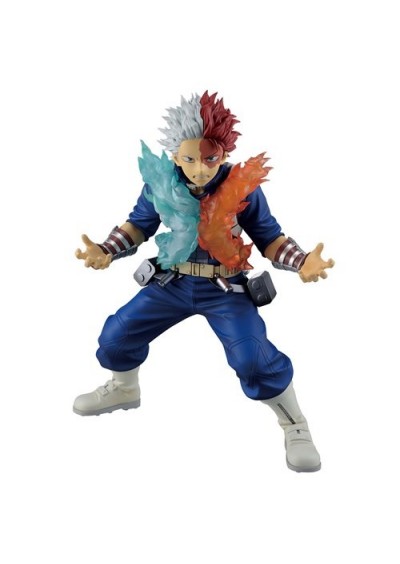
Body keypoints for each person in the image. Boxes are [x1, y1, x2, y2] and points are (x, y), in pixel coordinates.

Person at [73, 91, 334, 472]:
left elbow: (269, 237)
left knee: (253, 359)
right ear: (175, 156)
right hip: (172, 283)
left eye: (210, 158)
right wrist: (106, 250)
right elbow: (138, 225)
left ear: (224, 154)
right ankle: (125, 389)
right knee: (116, 335)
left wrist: (302, 261)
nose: (199, 169)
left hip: (225, 289)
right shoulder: (160, 184)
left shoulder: (242, 187)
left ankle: (294, 424)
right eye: (190, 159)